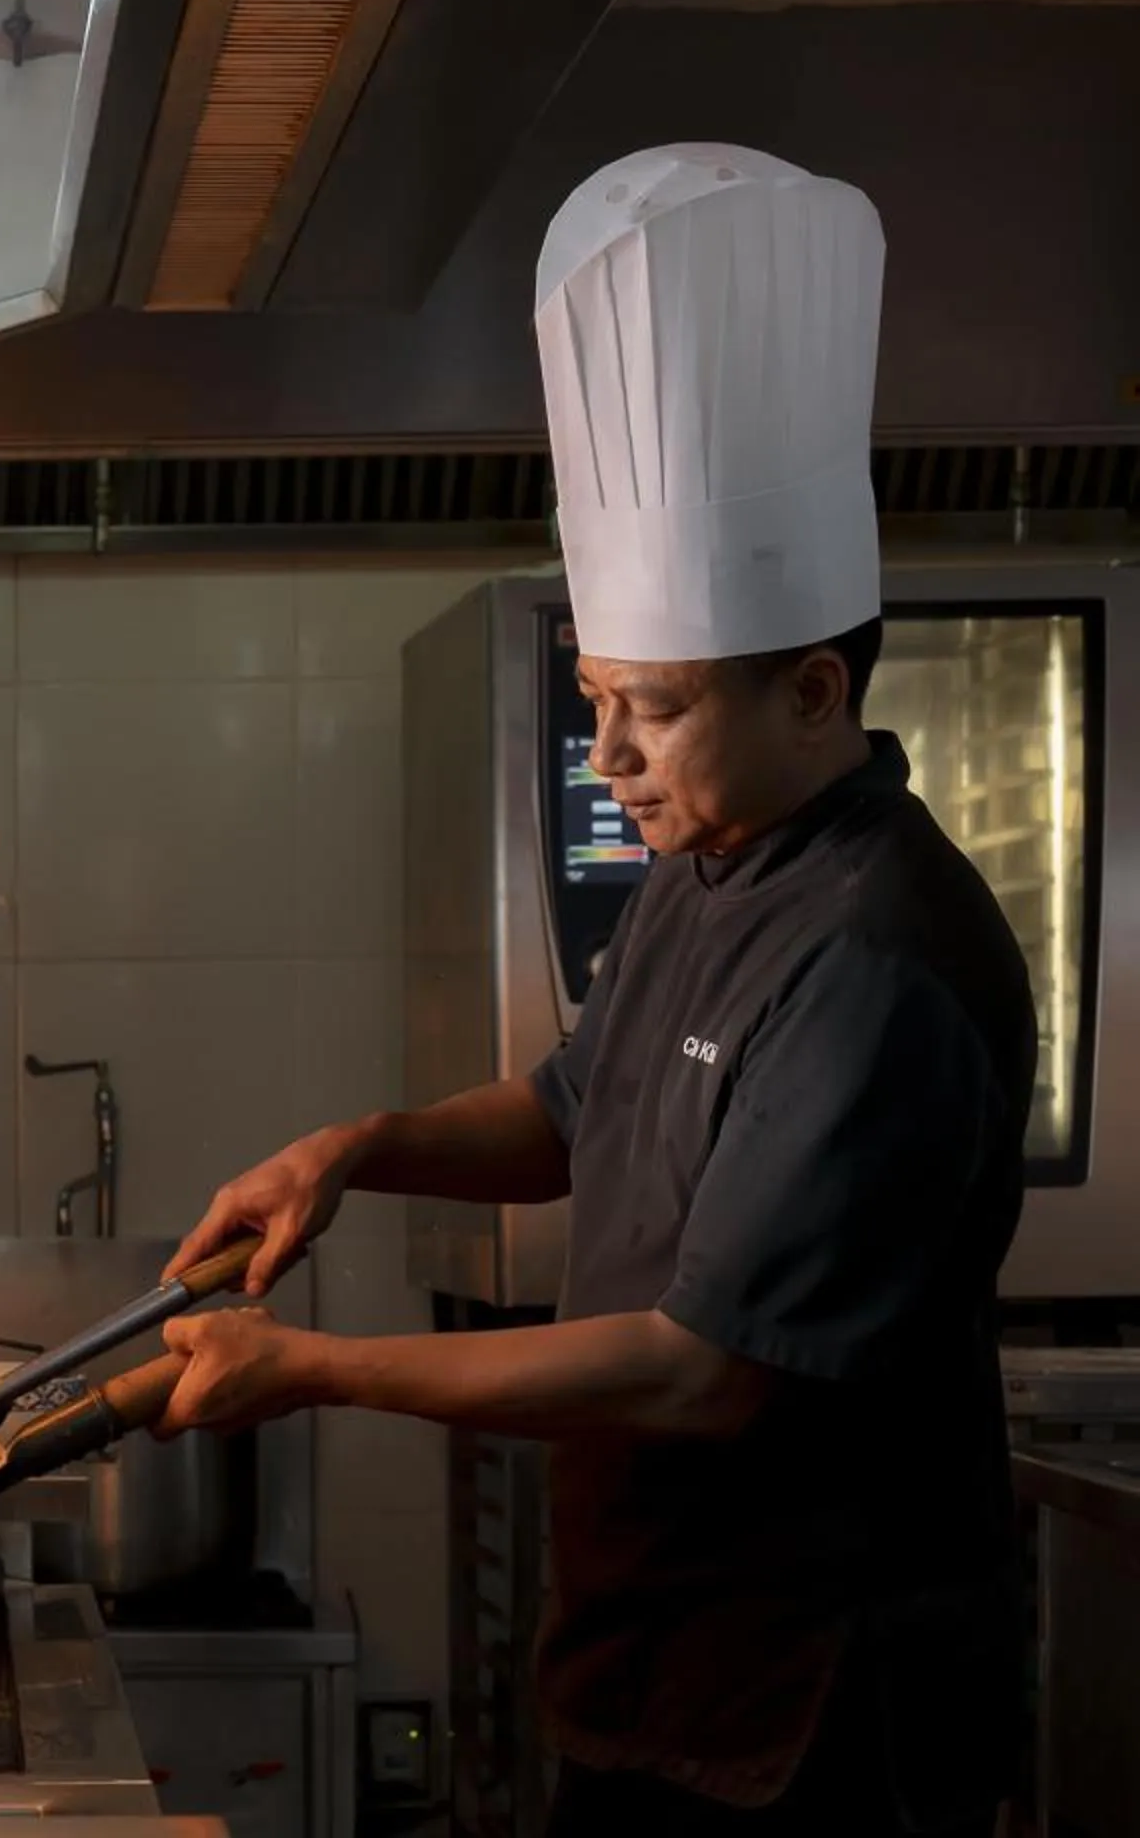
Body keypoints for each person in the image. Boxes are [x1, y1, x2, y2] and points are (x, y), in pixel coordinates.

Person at [155, 144, 1036, 1837]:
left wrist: (318, 1368)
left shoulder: (880, 957)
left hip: (814, 1715)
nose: (609, 755)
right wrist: (356, 1149)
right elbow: (576, 1112)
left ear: (813, 690)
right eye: (596, 696)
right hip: (654, 1652)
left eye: (658, 708)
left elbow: (701, 1372)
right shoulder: (714, 863)